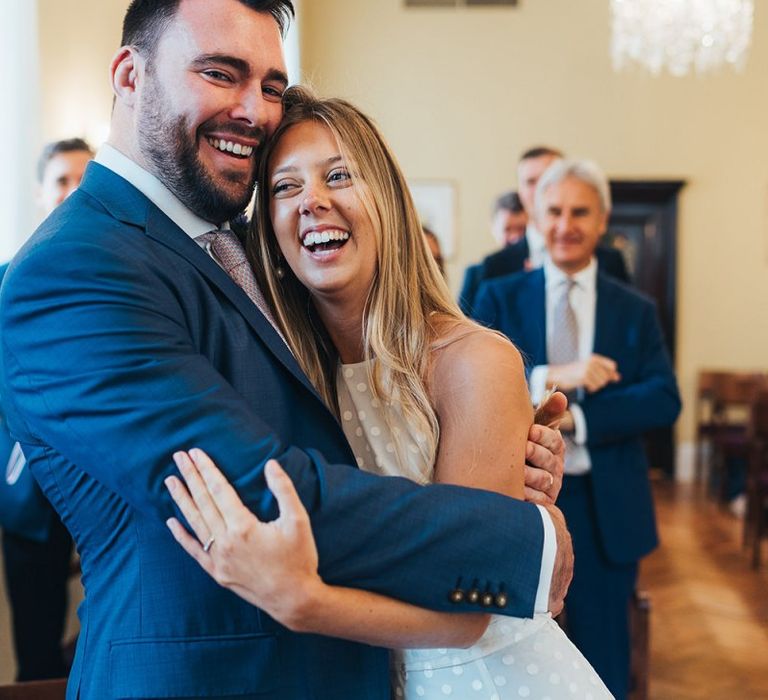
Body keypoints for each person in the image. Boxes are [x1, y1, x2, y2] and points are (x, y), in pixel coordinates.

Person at [0, 1, 572, 698]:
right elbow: (259, 488)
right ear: (129, 75)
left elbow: (336, 420)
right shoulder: (75, 268)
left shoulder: (241, 250)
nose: (254, 110)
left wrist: (500, 442)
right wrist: (515, 540)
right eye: (220, 72)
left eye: (270, 86)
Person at [164, 85, 612, 699]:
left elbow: (468, 610)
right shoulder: (283, 373)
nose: (312, 202)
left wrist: (303, 601)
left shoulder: (472, 361)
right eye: (285, 187)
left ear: (390, 202)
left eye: (339, 175)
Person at [473, 159, 681, 699]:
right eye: (555, 211)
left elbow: (663, 396)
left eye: (579, 212)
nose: (566, 224)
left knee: (605, 651)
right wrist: (547, 378)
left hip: (607, 503)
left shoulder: (634, 308)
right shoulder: (497, 297)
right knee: (518, 648)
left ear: (603, 219)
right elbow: (469, 388)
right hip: (520, 498)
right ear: (537, 218)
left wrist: (581, 418)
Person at [0, 137, 93, 681]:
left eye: (84, 179)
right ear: (41, 192)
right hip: (26, 495)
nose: (72, 191)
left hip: (104, 488)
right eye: (61, 180)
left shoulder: (122, 278)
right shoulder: (7, 279)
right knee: (35, 655)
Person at [459, 147, 630, 314]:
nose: (540, 188)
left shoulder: (609, 261)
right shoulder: (494, 266)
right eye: (530, 182)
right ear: (520, 190)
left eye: (549, 177)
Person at [459, 190, 526, 313]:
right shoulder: (475, 274)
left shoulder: (541, 271)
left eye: (522, 229)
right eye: (507, 229)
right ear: (493, 228)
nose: (515, 237)